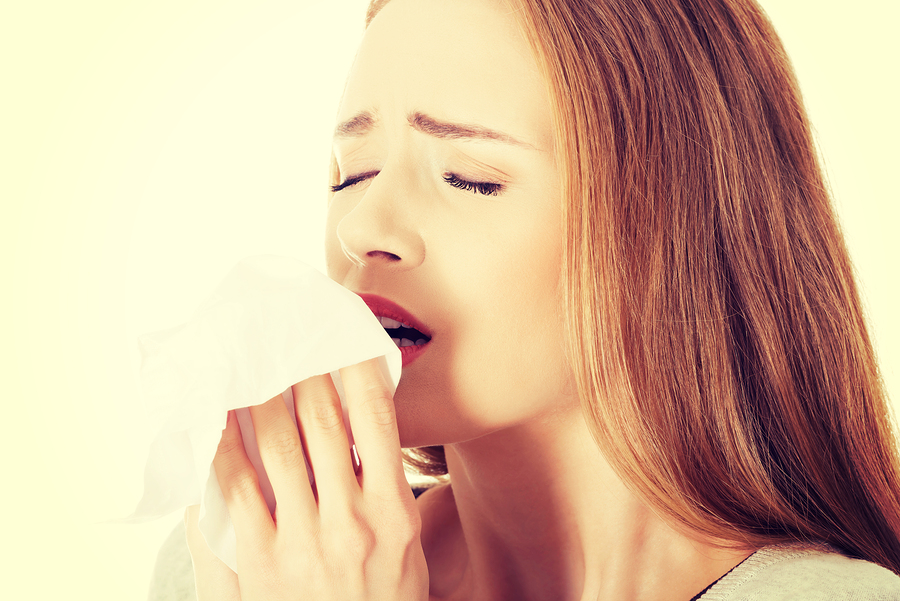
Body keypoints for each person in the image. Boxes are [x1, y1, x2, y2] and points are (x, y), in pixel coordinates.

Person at [150, 0, 900, 599]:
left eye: (468, 177)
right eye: (351, 173)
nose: (363, 228)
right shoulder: (241, 563)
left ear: (667, 225)